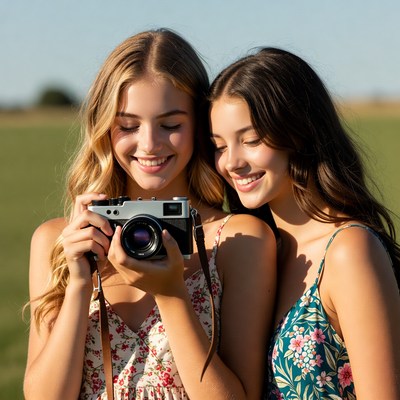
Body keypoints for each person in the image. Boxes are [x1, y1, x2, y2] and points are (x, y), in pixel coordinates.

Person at [23, 29, 277, 400]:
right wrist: (78, 285)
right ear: (104, 128)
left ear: (198, 126)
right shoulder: (58, 240)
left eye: (171, 125)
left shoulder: (240, 240)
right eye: (128, 125)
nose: (149, 144)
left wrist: (172, 296)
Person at [209, 47, 400, 399]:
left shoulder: (348, 251)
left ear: (296, 132)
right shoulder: (255, 254)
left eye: (250, 140)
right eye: (219, 146)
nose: (231, 162)